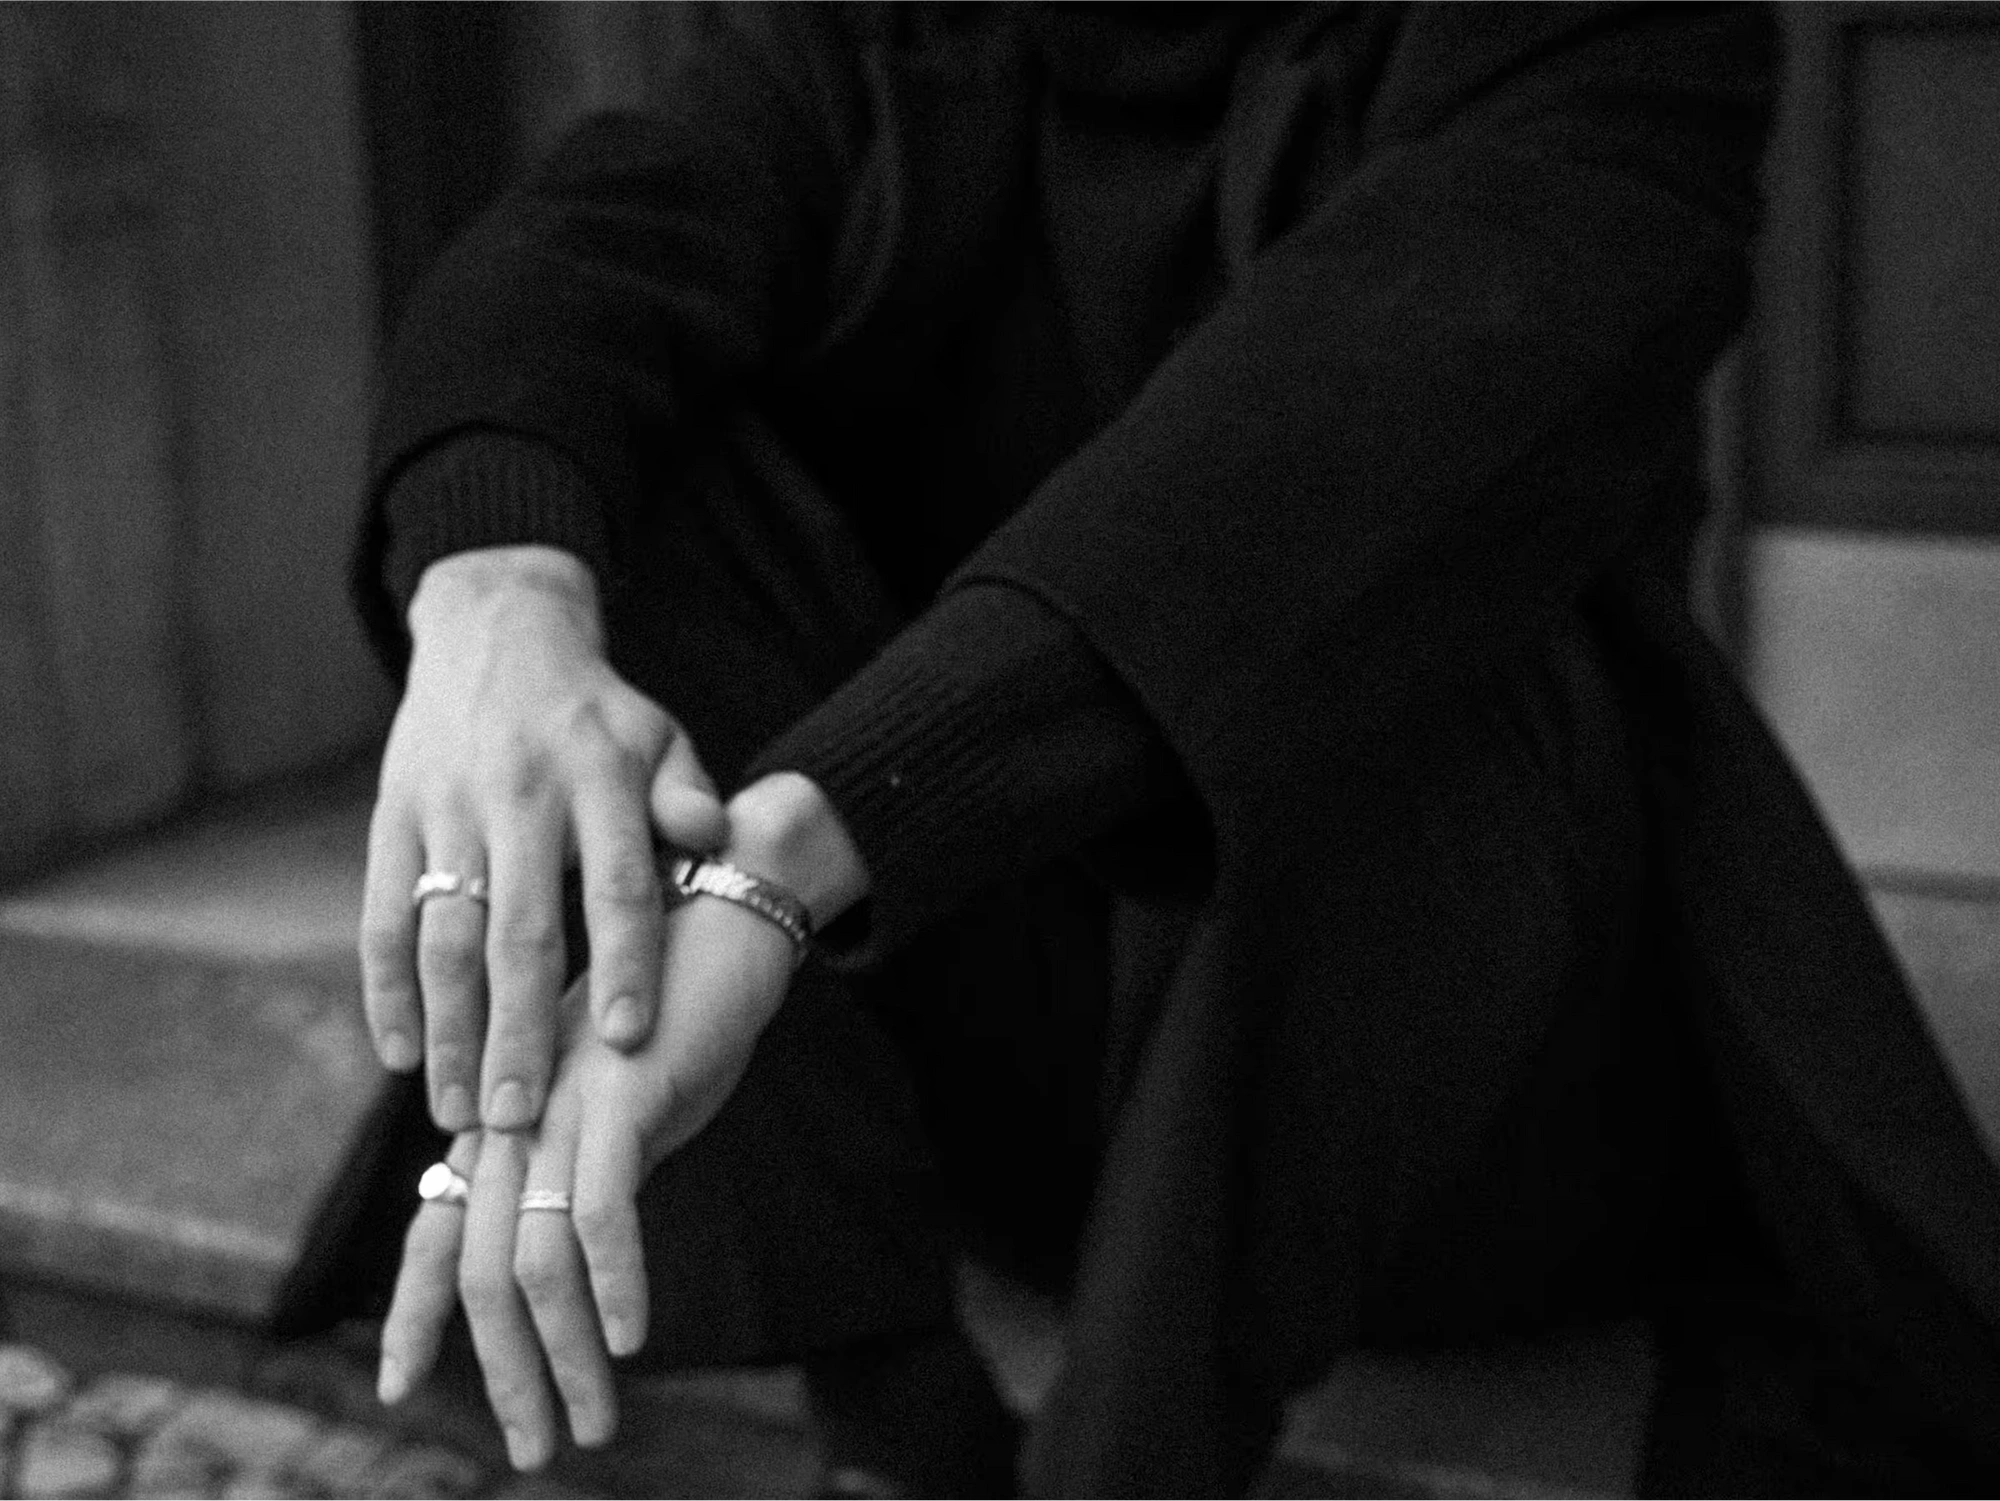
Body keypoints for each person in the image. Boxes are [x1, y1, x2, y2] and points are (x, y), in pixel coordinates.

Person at [348, 1, 2000, 1496]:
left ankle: (1125, 1470)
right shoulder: (883, 37)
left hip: (1465, 1108)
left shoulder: (1604, 35)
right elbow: (594, 239)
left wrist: (796, 852)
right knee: (598, 525)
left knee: (1411, 591)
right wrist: (497, 595)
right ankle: (898, 1418)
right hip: (1027, 1089)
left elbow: (1355, 417)